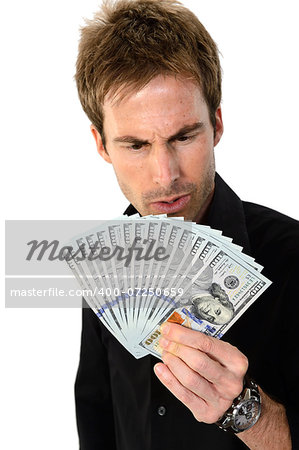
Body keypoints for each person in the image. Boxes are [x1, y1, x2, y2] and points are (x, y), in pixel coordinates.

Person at [74, 1, 299, 448]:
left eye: (183, 136)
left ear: (216, 124)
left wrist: (247, 412)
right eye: (136, 144)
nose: (165, 175)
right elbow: (98, 418)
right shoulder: (107, 263)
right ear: (102, 145)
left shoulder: (294, 259)